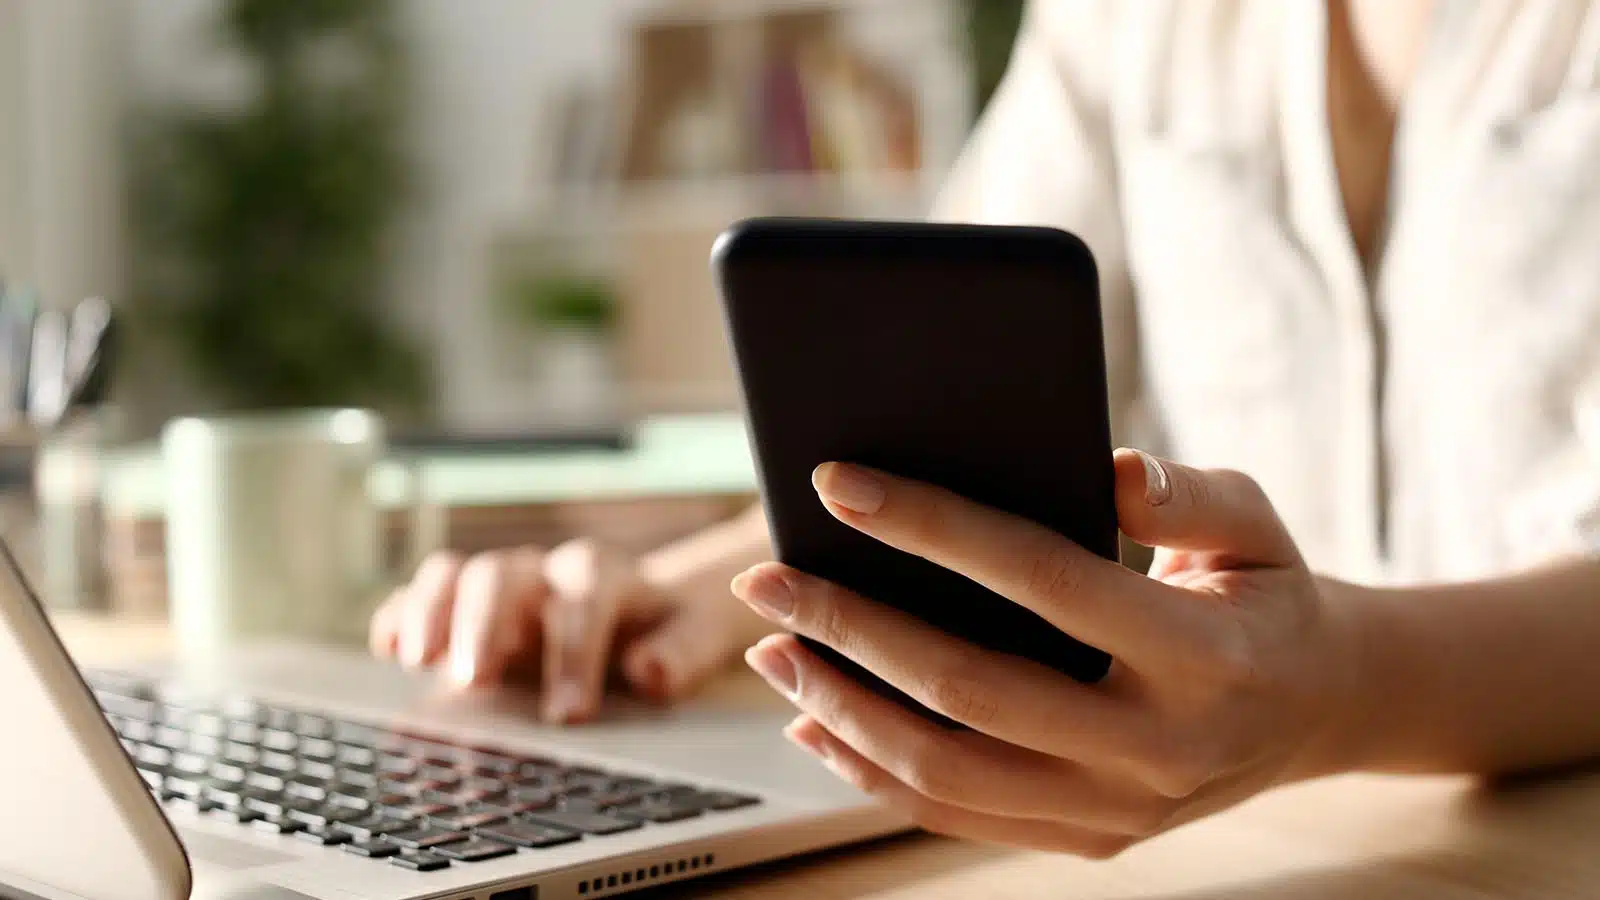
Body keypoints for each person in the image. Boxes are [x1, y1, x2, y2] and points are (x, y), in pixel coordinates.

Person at [369, 0, 1600, 856]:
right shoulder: (1122, 21)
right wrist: (677, 594)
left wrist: (1341, 688)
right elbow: (941, 383)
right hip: (1273, 830)